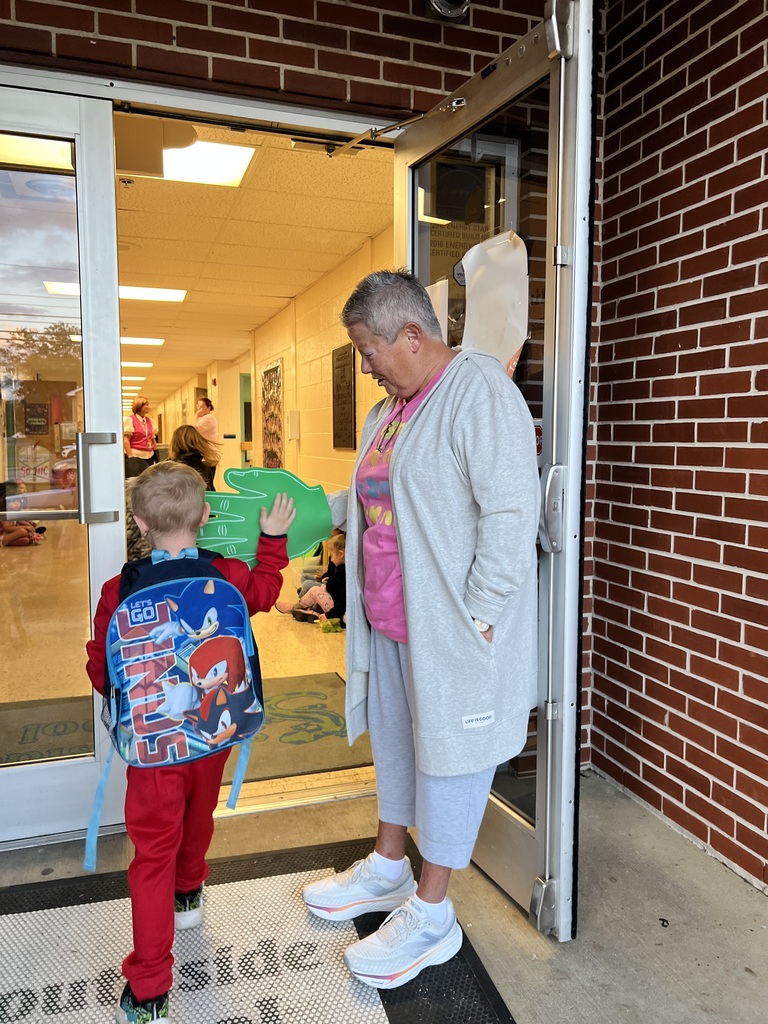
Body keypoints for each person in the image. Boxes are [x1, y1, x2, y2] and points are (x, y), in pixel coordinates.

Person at [301, 269, 540, 989]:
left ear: (412, 334)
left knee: (451, 760)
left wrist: (480, 614)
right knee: (402, 746)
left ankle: (432, 916)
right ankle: (387, 868)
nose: (366, 367)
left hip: (453, 627)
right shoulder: (390, 411)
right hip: (394, 618)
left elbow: (509, 511)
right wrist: (311, 511)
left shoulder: (478, 390)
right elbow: (375, 491)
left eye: (369, 350)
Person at [86, 461, 295, 1023]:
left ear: (139, 523)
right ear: (205, 516)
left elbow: (102, 668)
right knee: (199, 816)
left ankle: (150, 989)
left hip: (153, 749)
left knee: (150, 853)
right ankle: (190, 893)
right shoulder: (225, 574)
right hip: (213, 732)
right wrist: (272, 541)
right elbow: (269, 591)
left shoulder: (117, 590)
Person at [276, 531, 346, 623]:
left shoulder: (341, 575)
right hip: (334, 605)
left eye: (332, 556)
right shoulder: (340, 570)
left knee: (314, 590)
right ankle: (311, 611)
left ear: (341, 554)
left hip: (336, 612)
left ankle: (295, 608)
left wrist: (329, 616)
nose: (331, 559)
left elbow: (342, 602)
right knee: (312, 584)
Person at [169, 423, 219, 490]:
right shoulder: (207, 469)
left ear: (175, 444)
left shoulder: (167, 469)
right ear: (198, 442)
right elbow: (211, 497)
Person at [123, 396, 157, 478]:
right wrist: (130, 457)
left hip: (149, 456)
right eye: (146, 404)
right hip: (135, 456)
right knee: (136, 481)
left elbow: (152, 438)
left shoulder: (150, 421)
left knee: (148, 480)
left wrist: (156, 454)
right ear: (139, 406)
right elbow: (126, 440)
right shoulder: (130, 420)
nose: (148, 407)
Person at [194, 396, 220, 488]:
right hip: (205, 454)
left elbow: (195, 429)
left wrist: (196, 416)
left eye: (201, 407)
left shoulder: (208, 418)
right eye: (198, 407)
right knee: (206, 482)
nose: (199, 410)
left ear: (208, 408)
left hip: (209, 456)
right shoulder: (204, 418)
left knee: (207, 483)